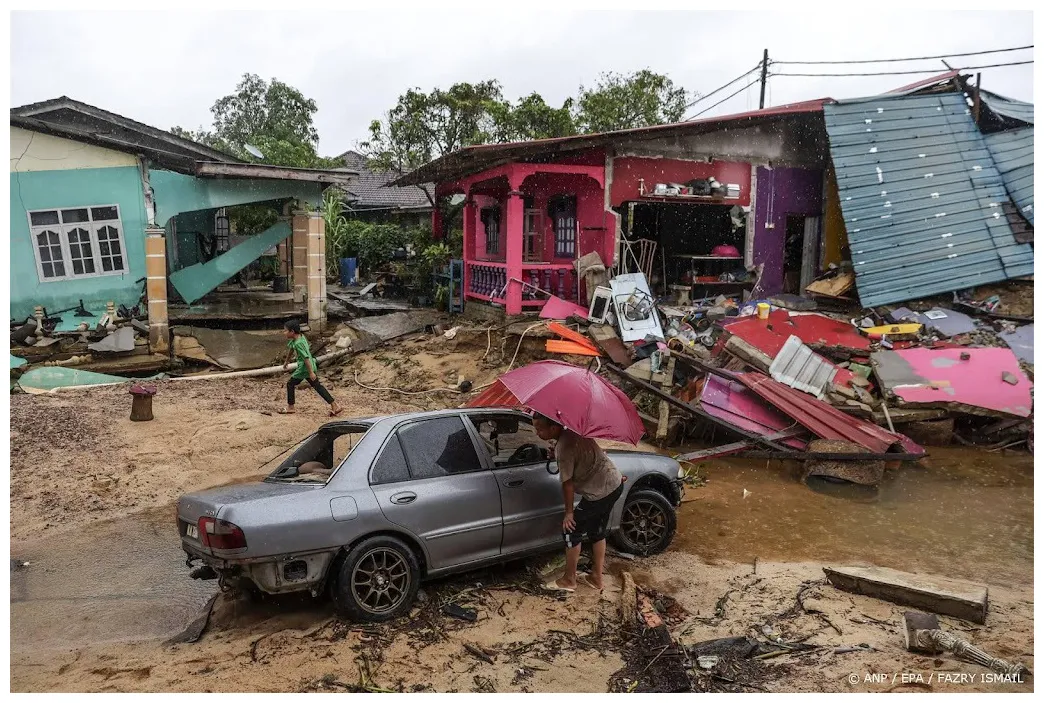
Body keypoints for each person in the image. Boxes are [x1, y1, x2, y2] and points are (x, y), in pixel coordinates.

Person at [533, 413, 625, 593]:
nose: (537, 433)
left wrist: (569, 513)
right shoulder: (574, 432)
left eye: (539, 429)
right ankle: (596, 578)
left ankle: (569, 580)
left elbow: (567, 484)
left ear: (553, 429)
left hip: (599, 492)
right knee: (597, 531)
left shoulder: (564, 447)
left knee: (571, 529)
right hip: (614, 484)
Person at [280, 320, 342, 417]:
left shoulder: (298, 343)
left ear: (292, 332)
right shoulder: (299, 338)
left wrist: (311, 372)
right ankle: (334, 405)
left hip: (305, 368)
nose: (283, 333)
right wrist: (287, 361)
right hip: (309, 366)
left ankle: (291, 407)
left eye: (285, 331)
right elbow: (291, 349)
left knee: (290, 384)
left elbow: (306, 358)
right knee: (317, 386)